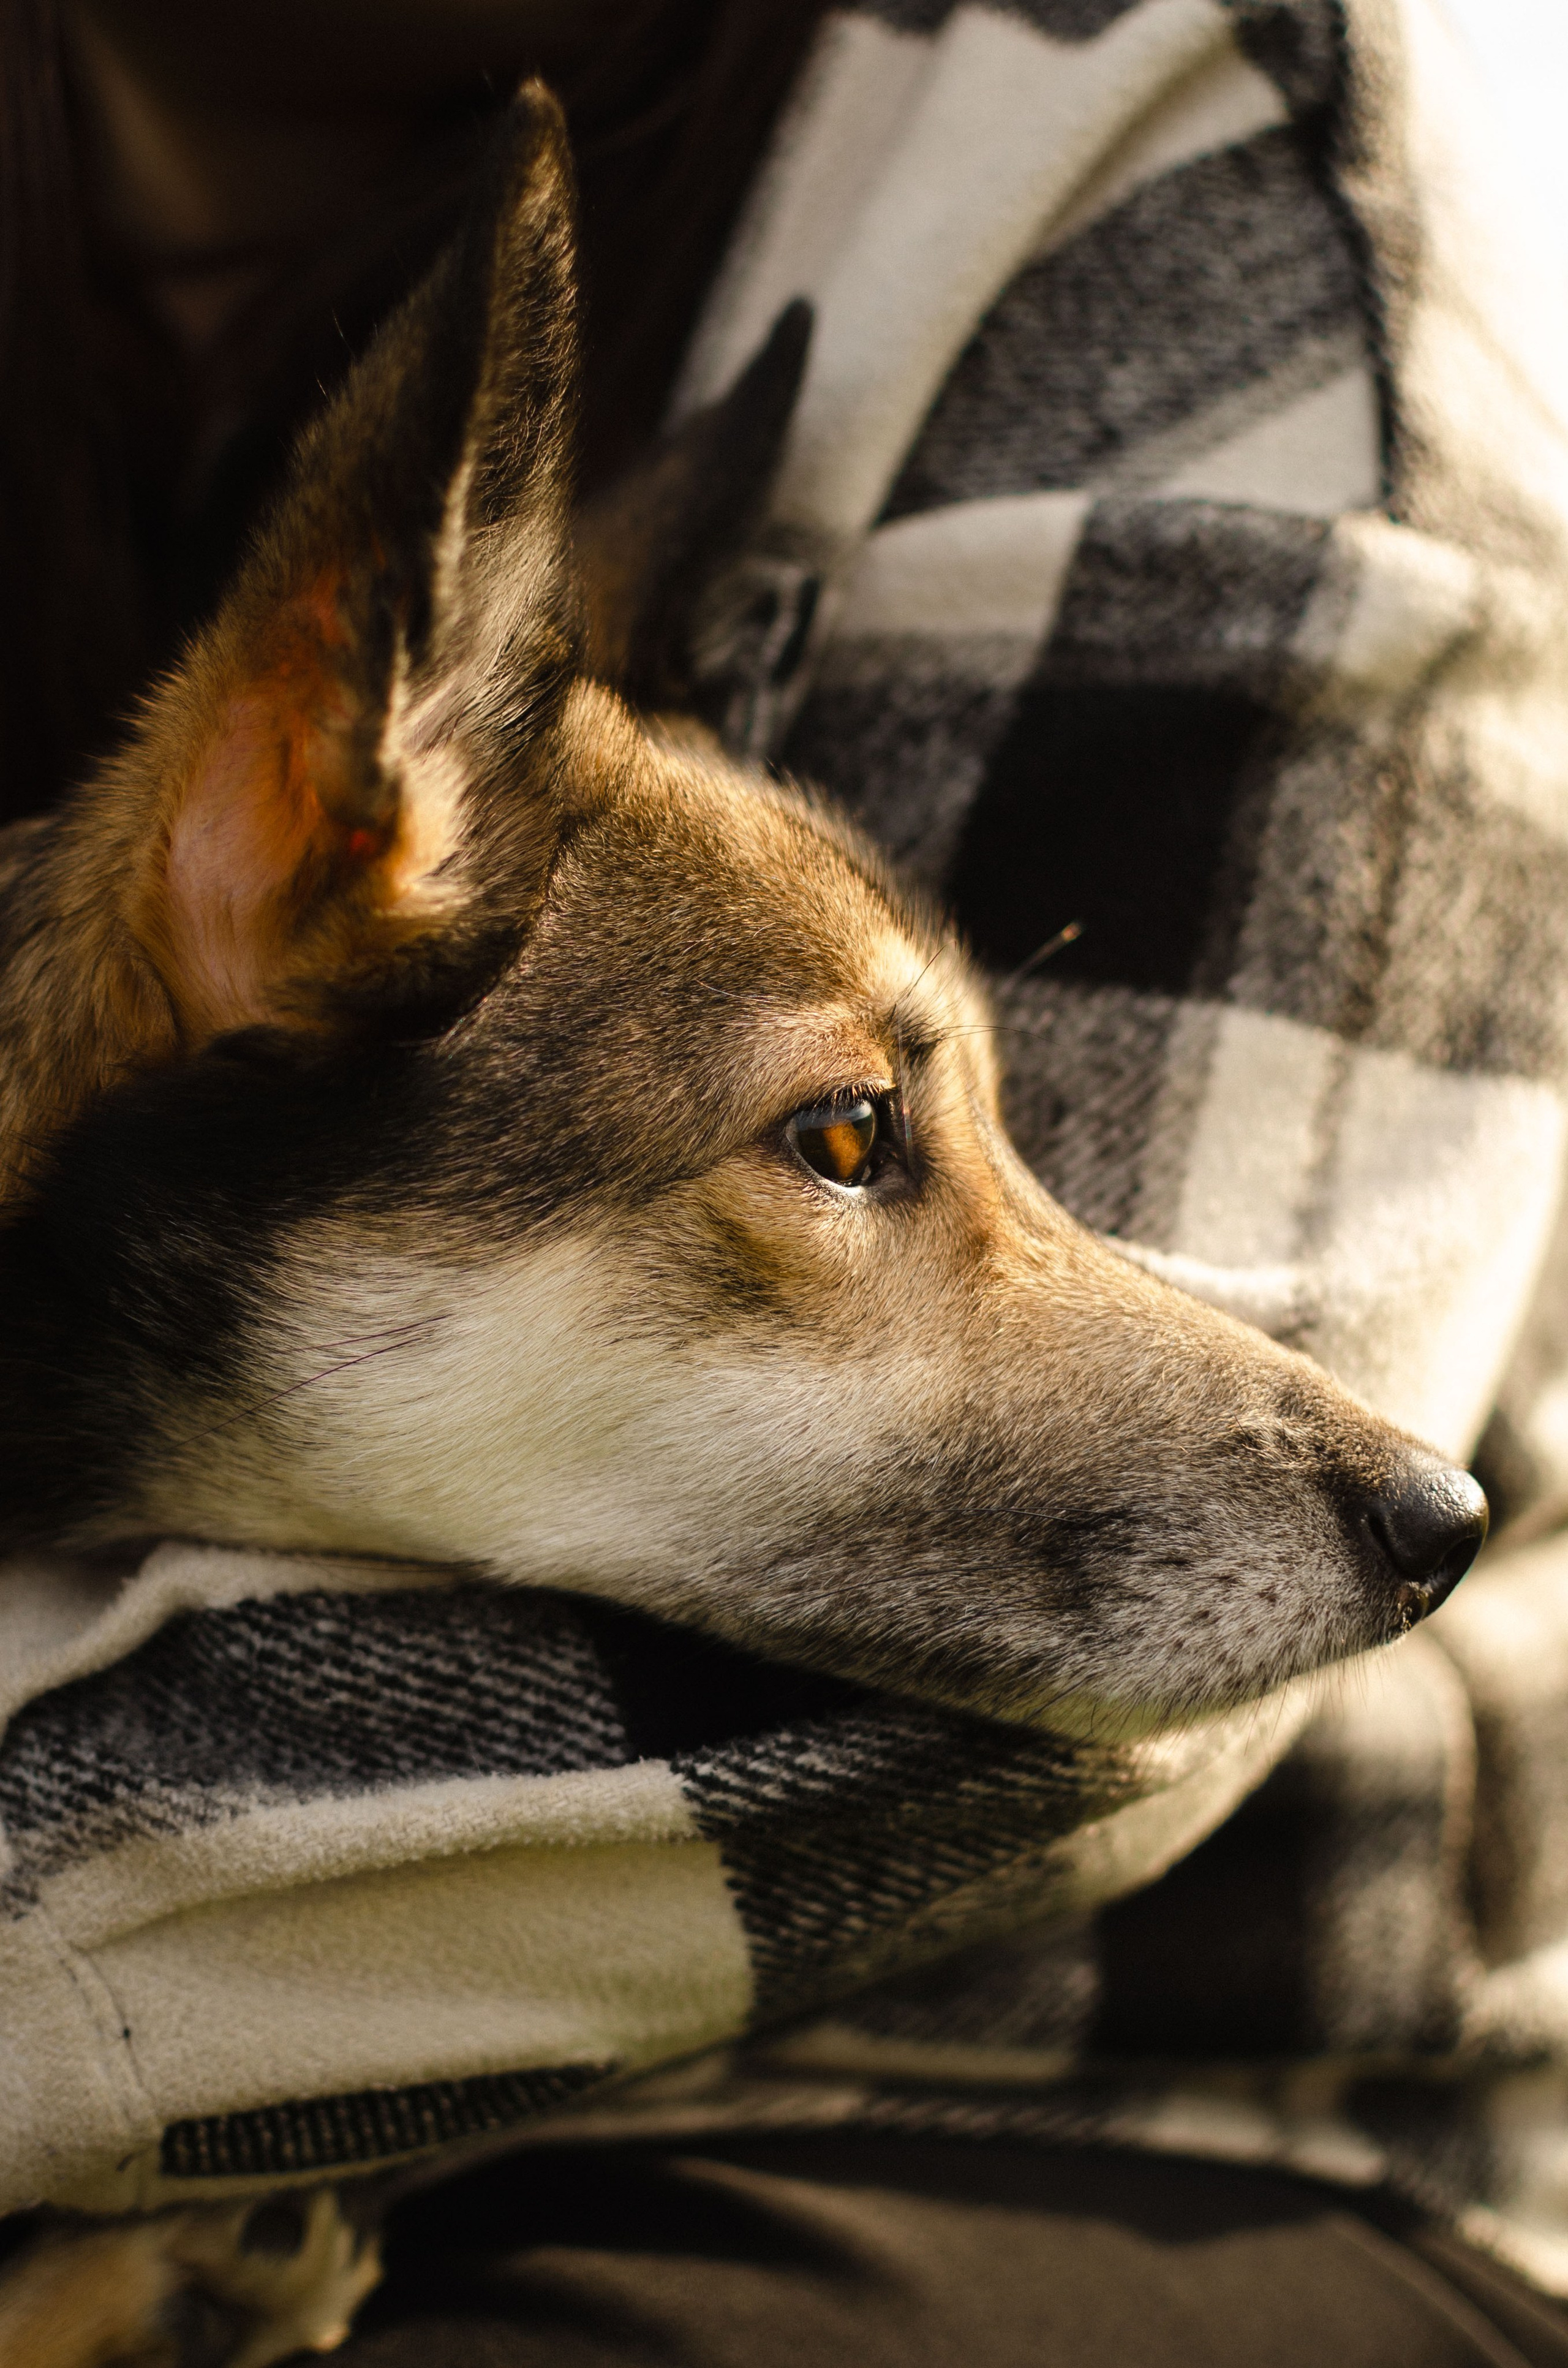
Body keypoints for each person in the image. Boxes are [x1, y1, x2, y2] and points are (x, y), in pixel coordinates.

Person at [7, 2, 1568, 2362]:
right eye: (857, 1146)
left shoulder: (1221, 171)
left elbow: (1082, 1748)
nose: (1348, 1467)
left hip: (1160, 2122)